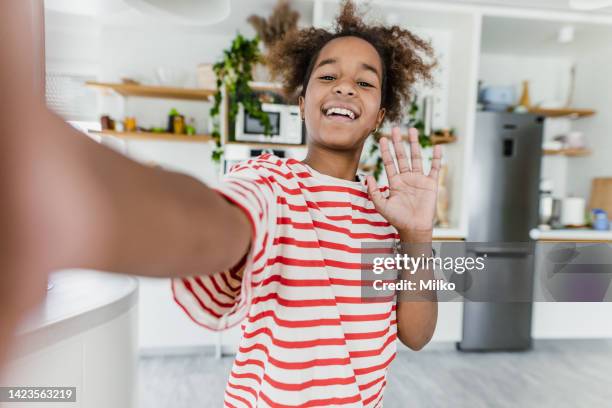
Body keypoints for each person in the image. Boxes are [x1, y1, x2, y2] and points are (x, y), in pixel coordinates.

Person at [1, 0, 440, 406]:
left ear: (381, 111)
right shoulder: (270, 181)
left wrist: (418, 235)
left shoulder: (390, 217)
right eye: (327, 76)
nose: (345, 87)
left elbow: (417, 336)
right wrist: (76, 199)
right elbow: (216, 222)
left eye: (364, 82)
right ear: (302, 101)